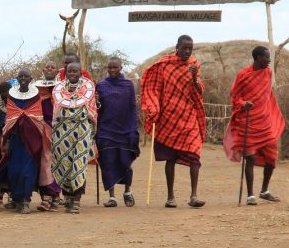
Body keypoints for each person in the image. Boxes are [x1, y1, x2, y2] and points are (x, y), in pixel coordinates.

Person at [141, 35, 206, 208]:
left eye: (190, 49)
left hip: (188, 116)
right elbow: (153, 87)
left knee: (195, 155)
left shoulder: (194, 66)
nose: (187, 52)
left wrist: (194, 78)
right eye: (184, 48)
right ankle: (170, 197)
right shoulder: (165, 65)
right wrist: (153, 107)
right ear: (177, 47)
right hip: (168, 117)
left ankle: (193, 196)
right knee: (170, 159)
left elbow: (199, 91)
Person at [223, 46, 286, 205]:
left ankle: (264, 191)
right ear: (258, 57)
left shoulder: (268, 73)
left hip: (264, 122)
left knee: (272, 158)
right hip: (248, 121)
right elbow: (235, 96)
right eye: (266, 57)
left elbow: (267, 97)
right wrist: (244, 104)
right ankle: (250, 195)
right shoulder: (243, 75)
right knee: (249, 158)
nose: (269, 60)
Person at [0, 69, 53, 214]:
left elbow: (37, 116)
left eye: (26, 76)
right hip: (16, 139)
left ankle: (26, 201)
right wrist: (6, 140)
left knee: (28, 171)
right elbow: (10, 118)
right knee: (14, 171)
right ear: (17, 78)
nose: (24, 79)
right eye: (21, 77)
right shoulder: (12, 95)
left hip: (32, 139)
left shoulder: (36, 94)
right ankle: (17, 199)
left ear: (31, 78)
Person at [51, 62, 97, 214]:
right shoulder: (58, 88)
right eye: (69, 71)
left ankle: (76, 199)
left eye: (75, 71)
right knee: (63, 162)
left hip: (81, 128)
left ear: (80, 72)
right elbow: (56, 109)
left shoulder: (88, 87)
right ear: (66, 73)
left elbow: (91, 109)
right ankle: (68, 196)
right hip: (62, 130)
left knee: (79, 162)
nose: (72, 74)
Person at [95, 57, 140, 207]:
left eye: (115, 67)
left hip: (125, 129)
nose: (112, 70)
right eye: (110, 68)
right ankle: (112, 197)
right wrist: (96, 103)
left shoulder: (128, 86)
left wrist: (134, 128)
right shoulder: (101, 86)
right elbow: (97, 108)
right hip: (106, 130)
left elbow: (132, 107)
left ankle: (127, 191)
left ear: (121, 68)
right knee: (107, 162)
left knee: (125, 162)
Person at [34, 60, 63, 211]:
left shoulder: (62, 88)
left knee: (57, 161)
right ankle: (46, 197)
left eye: (53, 67)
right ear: (43, 70)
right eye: (47, 67)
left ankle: (56, 196)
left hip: (60, 129)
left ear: (57, 70)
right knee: (44, 162)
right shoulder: (36, 87)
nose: (49, 69)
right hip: (41, 129)